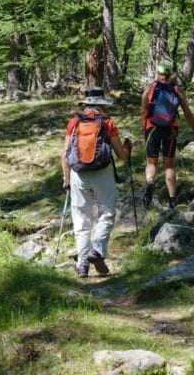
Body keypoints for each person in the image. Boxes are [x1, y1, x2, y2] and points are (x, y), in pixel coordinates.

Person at [61, 86, 132, 278]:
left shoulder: (74, 122)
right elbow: (121, 155)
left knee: (81, 219)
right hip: (102, 173)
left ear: (85, 104)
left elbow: (65, 154)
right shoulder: (107, 122)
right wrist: (128, 148)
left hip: (78, 174)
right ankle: (97, 250)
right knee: (106, 212)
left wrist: (66, 179)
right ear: (102, 104)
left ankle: (82, 265)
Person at [140, 60, 194, 209]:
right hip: (170, 130)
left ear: (158, 73)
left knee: (151, 163)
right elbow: (188, 114)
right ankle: (172, 200)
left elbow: (143, 111)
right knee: (169, 165)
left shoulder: (149, 88)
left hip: (152, 128)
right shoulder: (177, 90)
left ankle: (150, 182)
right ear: (171, 74)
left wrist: (144, 129)